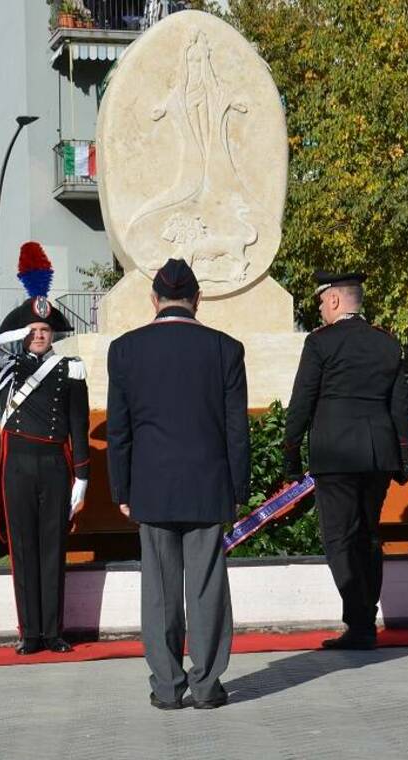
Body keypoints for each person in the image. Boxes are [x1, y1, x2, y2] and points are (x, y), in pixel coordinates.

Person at [107, 258, 249, 710]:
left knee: (160, 590)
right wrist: (239, 490)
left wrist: (121, 490)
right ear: (197, 299)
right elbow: (236, 430)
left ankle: (167, 688)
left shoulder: (125, 350)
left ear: (154, 300)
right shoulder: (226, 349)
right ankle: (207, 687)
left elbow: (119, 430)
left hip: (151, 487)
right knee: (206, 588)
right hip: (209, 486)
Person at [0, 242, 89, 654]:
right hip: (18, 466)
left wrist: (82, 475)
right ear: (22, 334)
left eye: (44, 331)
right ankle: (30, 633)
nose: (40, 336)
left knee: (52, 548)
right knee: (22, 548)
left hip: (55, 465)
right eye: (32, 331)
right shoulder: (5, 365)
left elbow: (78, 423)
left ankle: (53, 631)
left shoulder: (69, 367)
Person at [283, 271, 408, 651]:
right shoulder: (387, 343)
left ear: (335, 300)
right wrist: (403, 457)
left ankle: (358, 622)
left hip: (335, 455)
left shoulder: (320, 342)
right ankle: (364, 618)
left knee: (339, 538)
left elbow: (302, 401)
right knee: (368, 537)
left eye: (322, 301)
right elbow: (400, 406)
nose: (320, 308)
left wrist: (291, 454)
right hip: (377, 456)